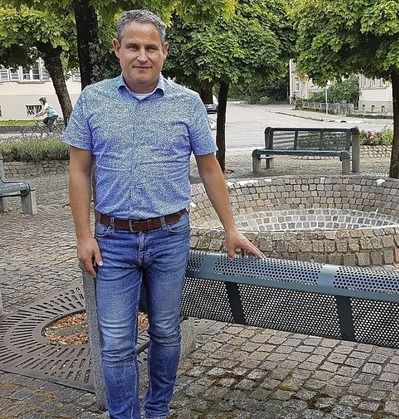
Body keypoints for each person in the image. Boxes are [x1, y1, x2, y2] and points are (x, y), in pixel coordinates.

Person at [63, 10, 264, 419]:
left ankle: (156, 411)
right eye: (133, 47)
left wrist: (231, 228)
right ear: (117, 49)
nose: (142, 56)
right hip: (112, 240)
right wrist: (84, 235)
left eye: (150, 47)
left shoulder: (187, 103)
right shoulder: (93, 99)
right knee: (117, 341)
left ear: (164, 52)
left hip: (169, 237)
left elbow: (209, 168)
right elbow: (79, 170)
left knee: (166, 331)